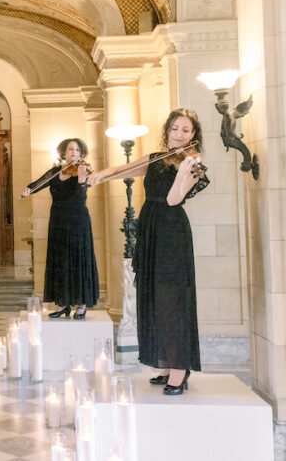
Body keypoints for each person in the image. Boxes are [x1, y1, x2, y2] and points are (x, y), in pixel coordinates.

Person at [89, 108, 209, 395]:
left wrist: (183, 171)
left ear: (194, 135)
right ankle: (166, 364)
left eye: (186, 130)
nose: (179, 134)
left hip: (171, 233)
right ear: (167, 131)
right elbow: (124, 170)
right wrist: (101, 175)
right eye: (175, 128)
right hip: (150, 229)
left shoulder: (194, 165)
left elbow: (173, 199)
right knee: (154, 296)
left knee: (172, 299)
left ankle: (179, 369)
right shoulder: (156, 158)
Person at [22, 138, 98, 320]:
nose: (74, 153)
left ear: (81, 154)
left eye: (77, 150)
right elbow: (40, 182)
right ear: (64, 152)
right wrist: (29, 190)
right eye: (70, 149)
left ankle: (81, 305)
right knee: (60, 260)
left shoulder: (84, 171)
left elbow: (80, 195)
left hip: (78, 221)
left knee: (78, 260)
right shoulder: (55, 171)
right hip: (58, 222)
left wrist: (81, 179)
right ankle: (62, 304)